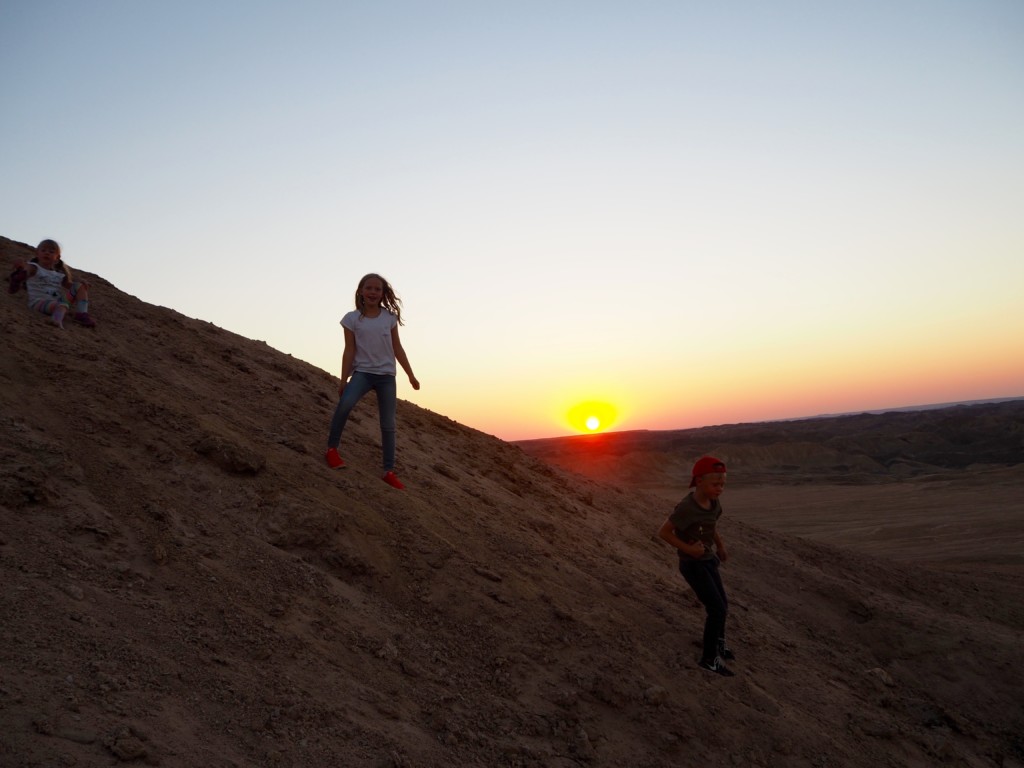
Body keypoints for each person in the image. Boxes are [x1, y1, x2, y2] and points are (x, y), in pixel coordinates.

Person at [325, 273, 419, 489]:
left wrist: (410, 375)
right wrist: (343, 379)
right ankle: (332, 450)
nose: (373, 292)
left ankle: (388, 470)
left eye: (378, 289)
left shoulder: (389, 318)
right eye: (369, 288)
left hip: (387, 376)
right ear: (361, 291)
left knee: (388, 424)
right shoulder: (351, 319)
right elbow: (349, 350)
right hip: (363, 373)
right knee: (345, 404)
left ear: (383, 294)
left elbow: (397, 348)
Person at [658, 456, 736, 676]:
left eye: (722, 485)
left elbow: (711, 525)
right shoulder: (686, 507)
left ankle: (719, 643)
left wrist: (720, 546)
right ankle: (709, 659)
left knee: (723, 605)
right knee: (716, 609)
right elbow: (663, 532)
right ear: (699, 481)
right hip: (693, 565)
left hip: (708, 560)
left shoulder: (713, 502)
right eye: (715, 484)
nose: (720, 489)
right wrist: (688, 549)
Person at [11, 239, 95, 328]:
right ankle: (56, 320)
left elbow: (69, 285)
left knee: (79, 287)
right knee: (61, 305)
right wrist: (21, 270)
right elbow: (28, 271)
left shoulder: (59, 275)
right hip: (38, 302)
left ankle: (81, 314)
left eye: (51, 252)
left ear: (57, 258)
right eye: (43, 250)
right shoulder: (34, 267)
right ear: (37, 253)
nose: (47, 253)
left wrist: (80, 283)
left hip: (57, 303)